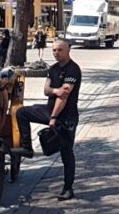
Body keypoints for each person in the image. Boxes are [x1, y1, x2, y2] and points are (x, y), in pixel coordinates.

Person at [15, 39, 81, 201]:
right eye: (54, 50)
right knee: (22, 112)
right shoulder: (53, 69)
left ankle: (68, 188)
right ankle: (27, 147)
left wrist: (53, 117)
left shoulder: (73, 70)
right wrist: (55, 90)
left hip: (66, 117)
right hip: (49, 110)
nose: (56, 53)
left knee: (67, 153)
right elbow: (46, 90)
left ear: (68, 50)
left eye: (60, 50)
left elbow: (63, 97)